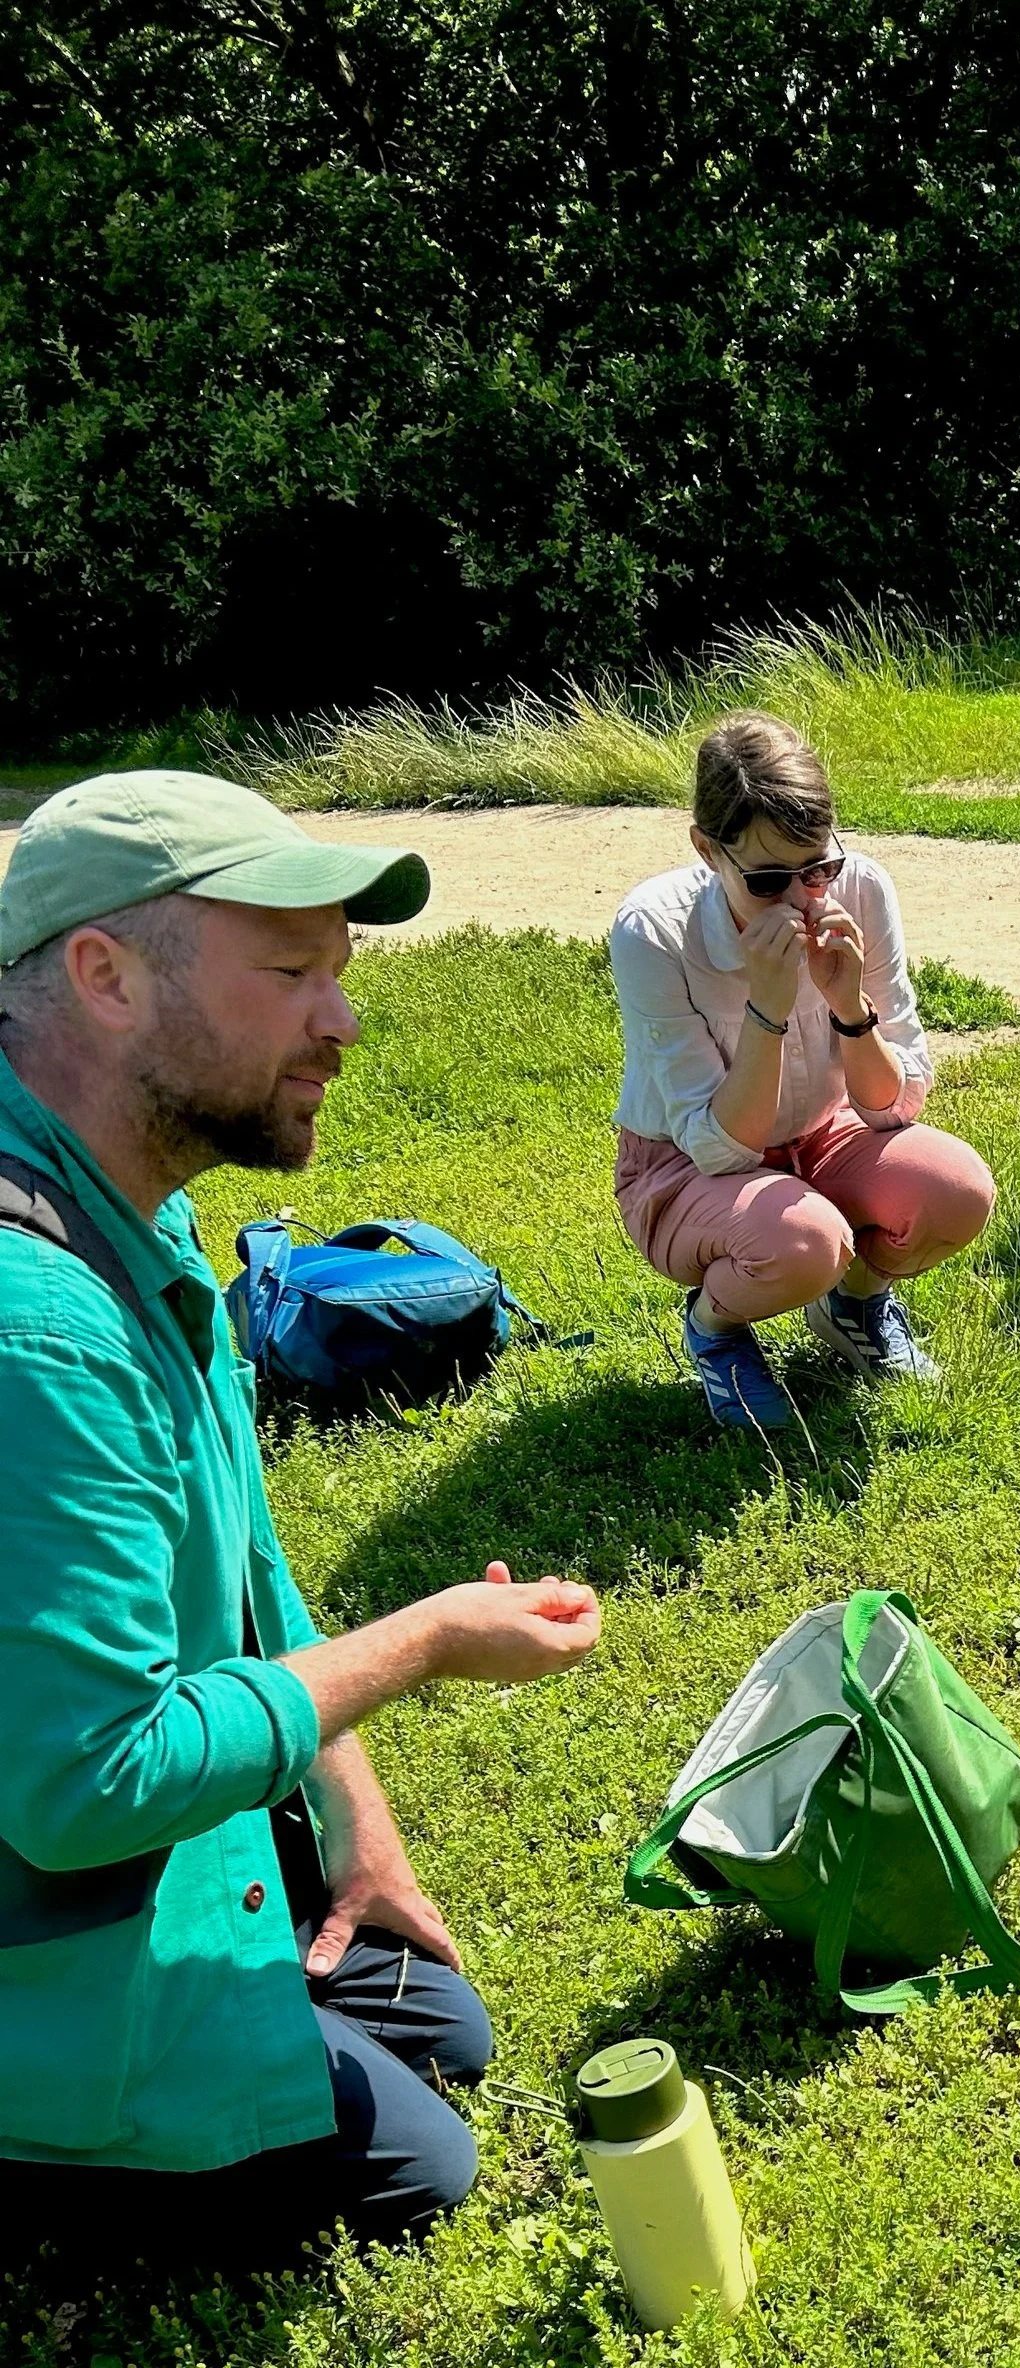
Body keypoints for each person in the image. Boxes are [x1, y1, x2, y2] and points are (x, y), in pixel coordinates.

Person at [0, 771, 603, 2255]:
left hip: (84, 1840)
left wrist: (355, 1822)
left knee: (436, 2026)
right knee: (422, 2171)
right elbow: (84, 1788)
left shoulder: (128, 1195)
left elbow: (250, 1568)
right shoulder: (34, 1324)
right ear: (105, 976)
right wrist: (427, 1641)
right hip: (46, 1890)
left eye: (337, 971)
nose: (340, 1019)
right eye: (289, 972)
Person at [609, 713, 996, 1429]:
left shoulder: (863, 892)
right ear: (705, 849)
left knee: (956, 1191)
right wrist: (768, 1006)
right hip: (687, 1168)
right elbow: (721, 1147)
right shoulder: (652, 932)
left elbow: (891, 1106)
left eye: (819, 867)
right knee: (804, 1241)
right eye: (766, 879)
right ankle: (715, 1328)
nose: (801, 899)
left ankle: (852, 1303)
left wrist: (849, 1006)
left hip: (824, 1133)